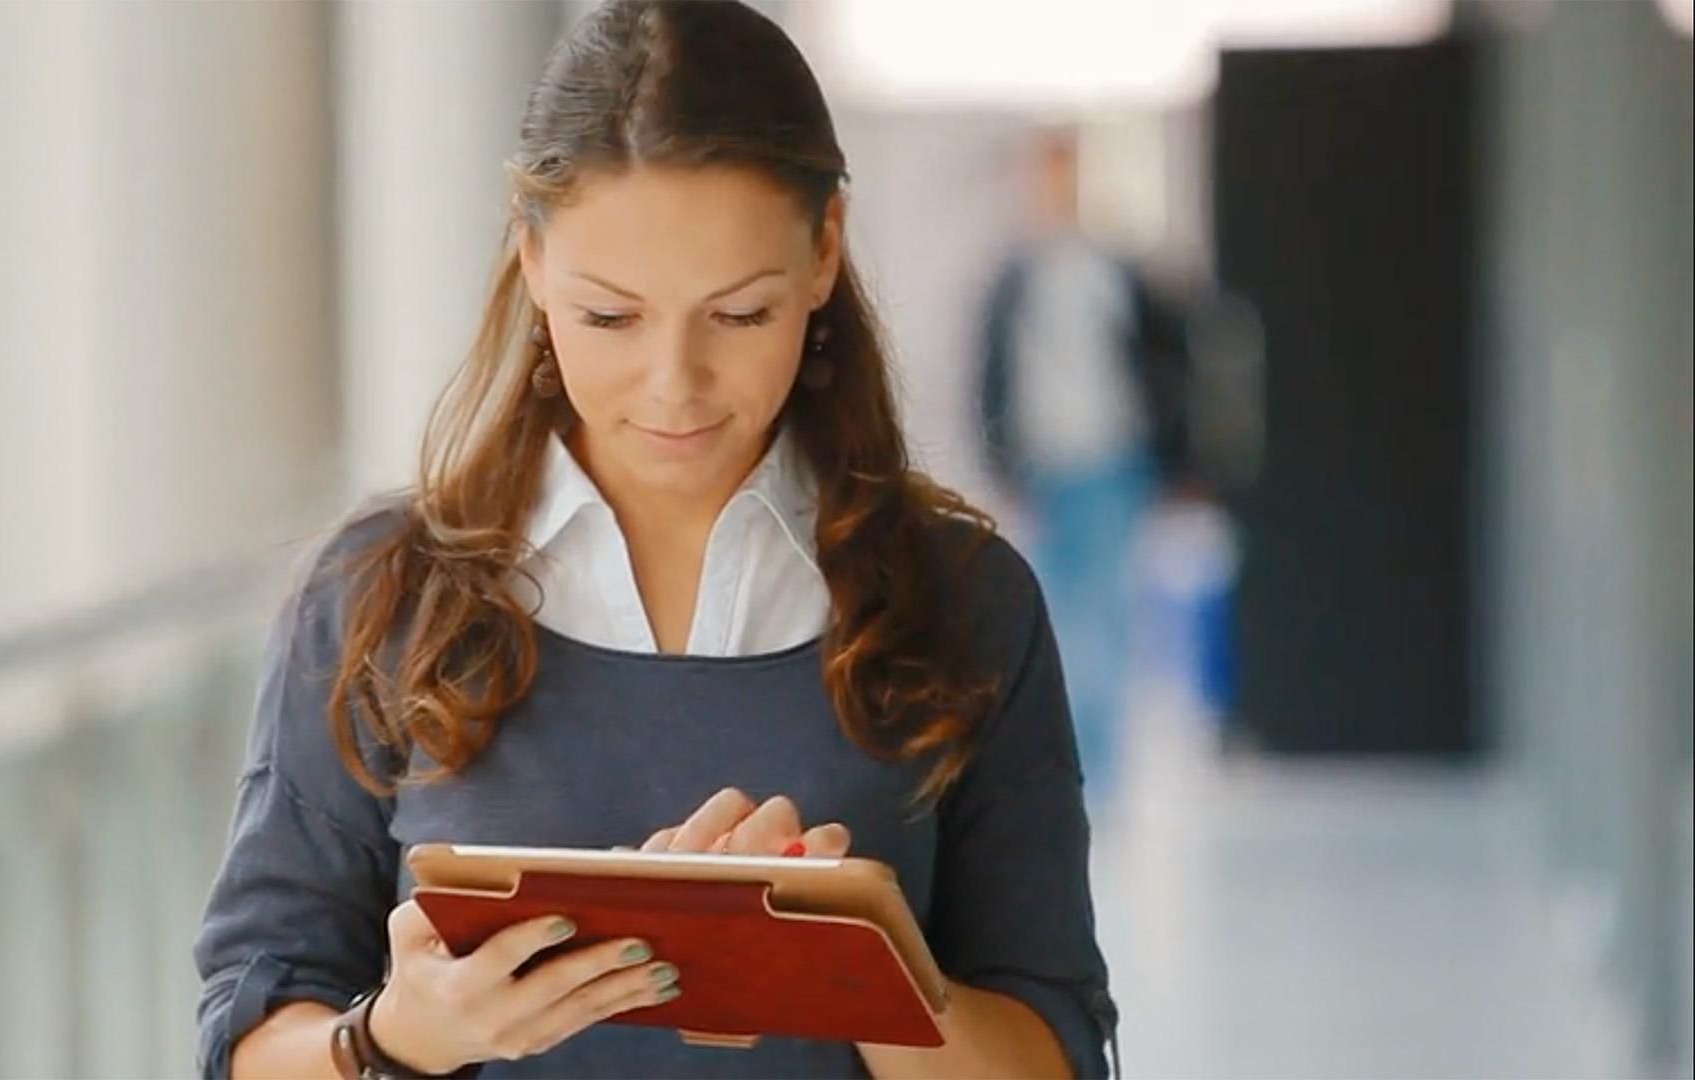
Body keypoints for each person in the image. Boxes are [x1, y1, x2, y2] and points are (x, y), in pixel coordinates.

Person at [194, 3, 1117, 1077]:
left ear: (823, 253)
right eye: (610, 318)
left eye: (739, 316)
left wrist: (861, 968)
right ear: (532, 258)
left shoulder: (967, 601)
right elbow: (247, 1042)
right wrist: (396, 1039)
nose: (674, 386)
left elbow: (1057, 1054)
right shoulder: (375, 596)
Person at [976, 128, 1188, 817]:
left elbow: (1163, 365)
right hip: (1046, 469)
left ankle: (1104, 773)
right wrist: (1004, 464)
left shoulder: (1115, 270)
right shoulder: (1015, 277)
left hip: (1113, 462)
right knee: (1058, 618)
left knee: (1108, 615)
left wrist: (1175, 460)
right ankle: (1066, 766)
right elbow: (992, 378)